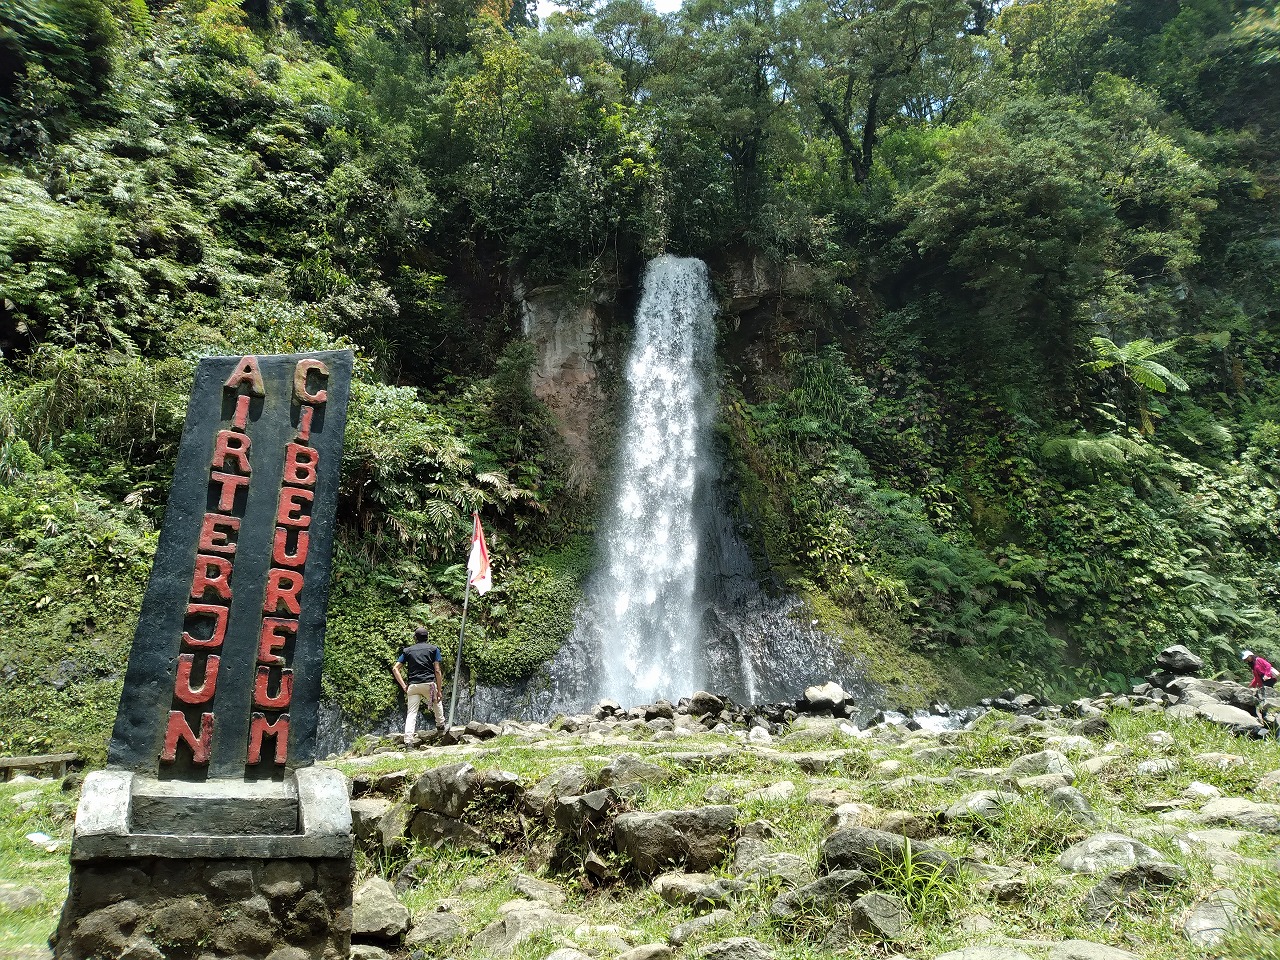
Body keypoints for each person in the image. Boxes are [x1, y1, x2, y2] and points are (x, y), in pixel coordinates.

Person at [393, 627, 446, 743]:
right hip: (429, 684)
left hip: (413, 685)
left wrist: (403, 686)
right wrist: (439, 690)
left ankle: (408, 741)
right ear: (427, 638)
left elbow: (395, 668)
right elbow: (437, 670)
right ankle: (441, 727)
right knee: (437, 702)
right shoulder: (433, 649)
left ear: (415, 638)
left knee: (411, 713)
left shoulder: (407, 651)